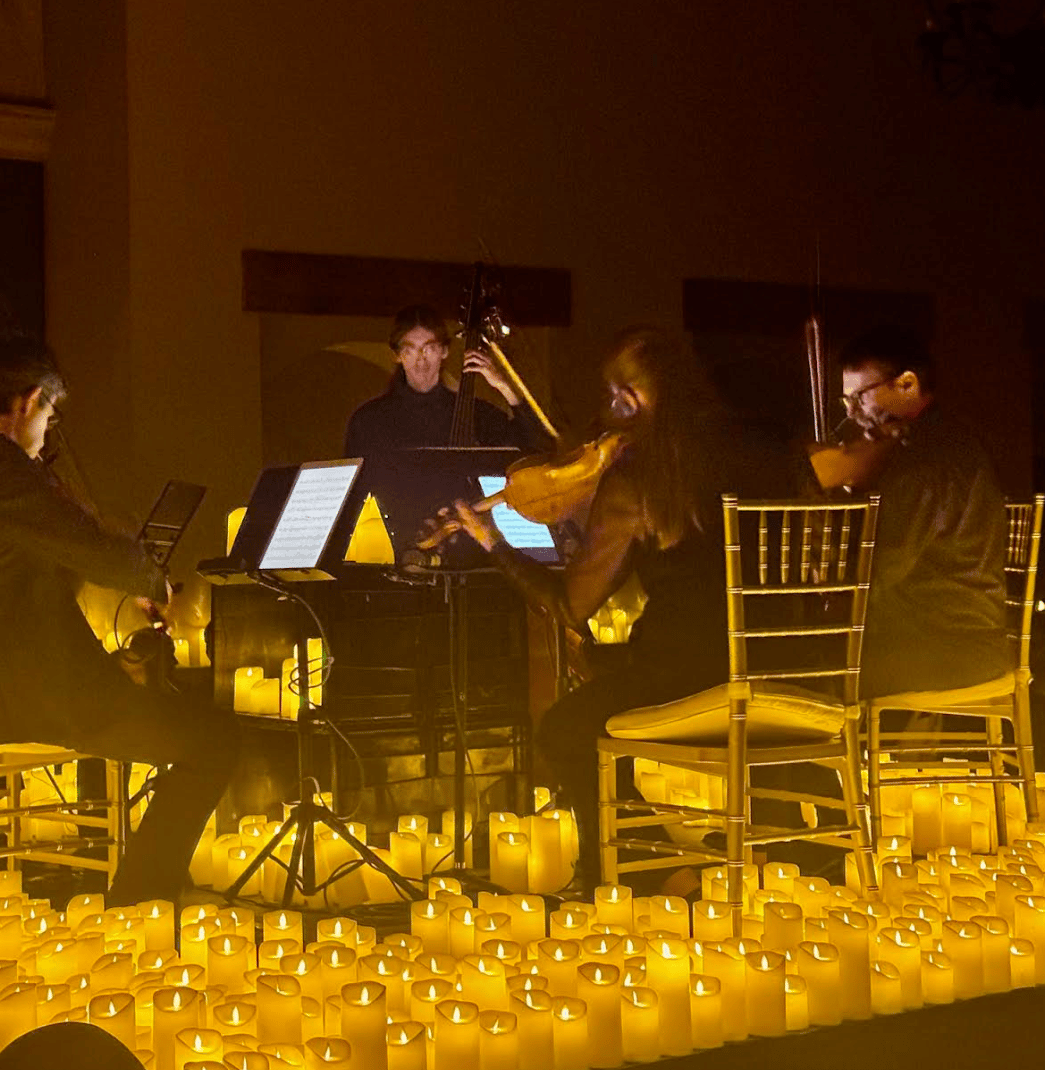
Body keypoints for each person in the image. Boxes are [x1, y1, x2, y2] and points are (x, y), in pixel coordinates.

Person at [0, 336, 238, 906]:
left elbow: (24, 553)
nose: (47, 434)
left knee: (122, 682)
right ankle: (138, 901)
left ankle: (91, 863)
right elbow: (87, 544)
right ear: (29, 401)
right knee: (215, 740)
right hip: (16, 692)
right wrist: (153, 580)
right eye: (49, 416)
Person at [444, 328, 780, 890]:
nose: (612, 410)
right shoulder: (771, 448)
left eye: (617, 395)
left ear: (632, 398)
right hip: (785, 666)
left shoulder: (644, 478)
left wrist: (493, 544)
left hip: (695, 676)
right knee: (606, 672)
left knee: (566, 728)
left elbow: (570, 606)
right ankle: (775, 850)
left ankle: (638, 875)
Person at [836, 325, 1009, 698]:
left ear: (907, 384)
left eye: (860, 397)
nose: (851, 414)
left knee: (805, 663)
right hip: (970, 640)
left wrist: (825, 584)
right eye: (845, 401)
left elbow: (879, 570)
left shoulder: (922, 461)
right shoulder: (951, 440)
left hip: (941, 647)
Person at [343, 305, 547, 455]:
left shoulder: (475, 414)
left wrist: (504, 385)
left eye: (429, 348)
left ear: (444, 351)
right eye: (410, 350)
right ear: (397, 355)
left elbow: (536, 448)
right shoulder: (368, 421)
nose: (421, 358)